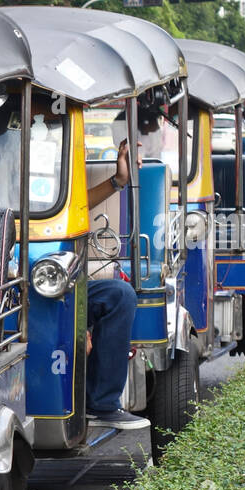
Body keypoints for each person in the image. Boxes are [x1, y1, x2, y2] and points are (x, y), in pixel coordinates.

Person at [83, 137, 147, 429]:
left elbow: (77, 206)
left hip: (61, 280)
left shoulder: (52, 166)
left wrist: (119, 180)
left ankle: (102, 403)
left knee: (119, 294)